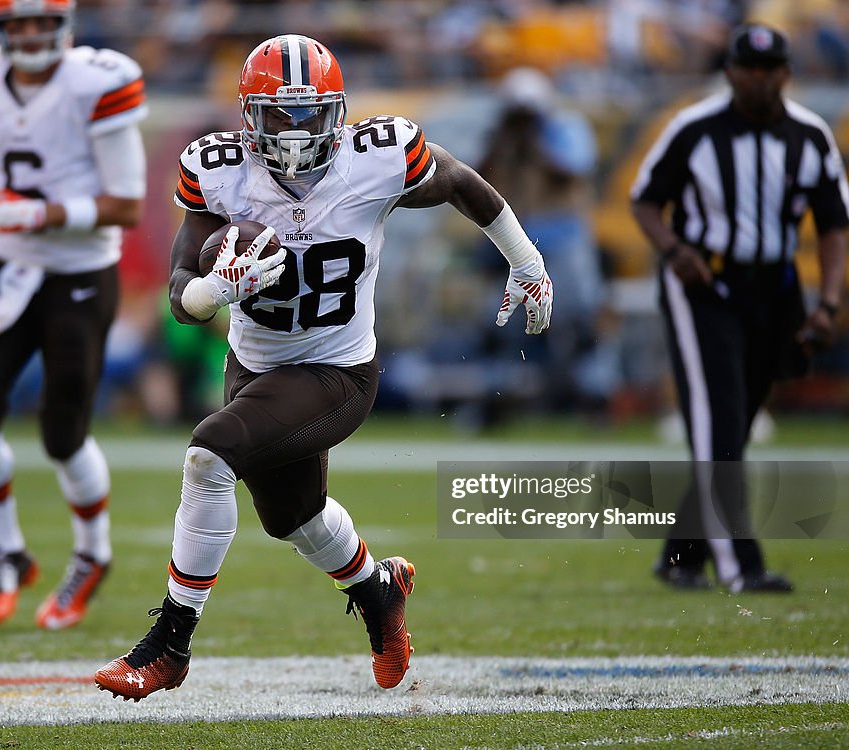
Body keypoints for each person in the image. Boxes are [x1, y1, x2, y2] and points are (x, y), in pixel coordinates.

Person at [94, 33, 553, 700]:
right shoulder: (219, 171)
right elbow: (179, 298)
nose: (300, 128)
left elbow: (458, 181)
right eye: (282, 113)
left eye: (314, 111)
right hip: (254, 366)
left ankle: (169, 645)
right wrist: (217, 289)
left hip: (338, 371)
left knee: (210, 453)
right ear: (250, 116)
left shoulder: (376, 158)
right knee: (295, 517)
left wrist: (527, 260)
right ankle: (379, 591)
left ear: (338, 111)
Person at [0, 0, 147, 630]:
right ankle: (7, 552)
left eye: (39, 21)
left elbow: (127, 204)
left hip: (80, 273)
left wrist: (40, 214)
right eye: (16, 23)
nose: (29, 33)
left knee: (62, 432)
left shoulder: (95, 80)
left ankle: (93, 554)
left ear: (62, 23)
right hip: (13, 269)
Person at [630, 23, 848, 593]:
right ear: (729, 71)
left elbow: (833, 224)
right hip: (705, 285)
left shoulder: (810, 134)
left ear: (785, 72)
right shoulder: (693, 128)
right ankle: (739, 568)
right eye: (747, 68)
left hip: (774, 288)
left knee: (733, 426)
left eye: (768, 68)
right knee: (720, 425)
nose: (757, 78)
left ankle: (680, 556)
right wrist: (674, 250)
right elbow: (645, 200)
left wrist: (827, 301)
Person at [477, 67, 616, 413]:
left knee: (580, 316)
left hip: (564, 235)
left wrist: (535, 141)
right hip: (517, 240)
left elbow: (575, 167)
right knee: (502, 319)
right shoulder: (503, 136)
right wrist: (504, 140)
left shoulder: (564, 127)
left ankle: (594, 392)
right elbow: (477, 177)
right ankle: (499, 396)